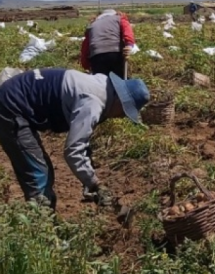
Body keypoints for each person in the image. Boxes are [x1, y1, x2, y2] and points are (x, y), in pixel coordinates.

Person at [0, 69, 150, 210]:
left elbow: (83, 140)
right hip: (11, 106)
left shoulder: (102, 84)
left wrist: (89, 176)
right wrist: (94, 183)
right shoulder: (93, 103)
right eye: (124, 111)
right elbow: (73, 151)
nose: (122, 116)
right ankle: (38, 227)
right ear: (119, 100)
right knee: (38, 174)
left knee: (43, 170)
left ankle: (43, 224)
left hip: (16, 97)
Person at [80, 9, 135, 78]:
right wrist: (129, 45)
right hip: (115, 53)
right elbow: (127, 31)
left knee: (101, 84)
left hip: (96, 56)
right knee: (119, 81)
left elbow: (85, 48)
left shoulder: (92, 25)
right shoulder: (119, 18)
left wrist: (86, 65)